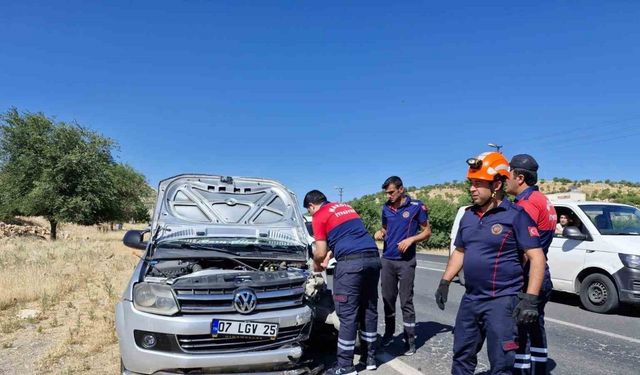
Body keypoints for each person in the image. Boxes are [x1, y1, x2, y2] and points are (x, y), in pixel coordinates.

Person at [434, 151, 546, 375]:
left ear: (496, 184)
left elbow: (537, 257)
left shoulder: (516, 215)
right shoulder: (468, 216)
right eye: (471, 183)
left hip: (502, 301)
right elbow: (460, 251)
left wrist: (531, 300)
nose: (472, 189)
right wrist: (445, 281)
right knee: (462, 355)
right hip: (471, 299)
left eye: (478, 183)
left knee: (502, 363)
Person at [304, 190, 381, 375]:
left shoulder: (319, 215)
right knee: (369, 310)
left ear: (311, 206)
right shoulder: (346, 208)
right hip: (373, 258)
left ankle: (345, 366)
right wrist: (329, 254)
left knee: (347, 315)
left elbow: (320, 251)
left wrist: (316, 266)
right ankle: (369, 358)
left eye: (309, 211)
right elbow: (346, 237)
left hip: (351, 265)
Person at [505, 154, 557, 375]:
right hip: (542, 275)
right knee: (536, 329)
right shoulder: (543, 199)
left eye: (508, 174)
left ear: (520, 177)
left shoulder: (526, 205)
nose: (505, 179)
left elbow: (527, 250)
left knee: (521, 332)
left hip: (529, 278)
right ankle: (538, 370)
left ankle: (522, 371)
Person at [374, 176, 431, 356]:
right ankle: (389, 333)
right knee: (388, 300)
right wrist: (380, 232)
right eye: (387, 193)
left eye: (391, 192)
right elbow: (385, 229)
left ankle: (409, 340)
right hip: (388, 260)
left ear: (401, 189)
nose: (389, 195)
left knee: (406, 301)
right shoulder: (385, 207)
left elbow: (427, 231)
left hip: (406, 262)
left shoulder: (416, 207)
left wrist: (412, 239)